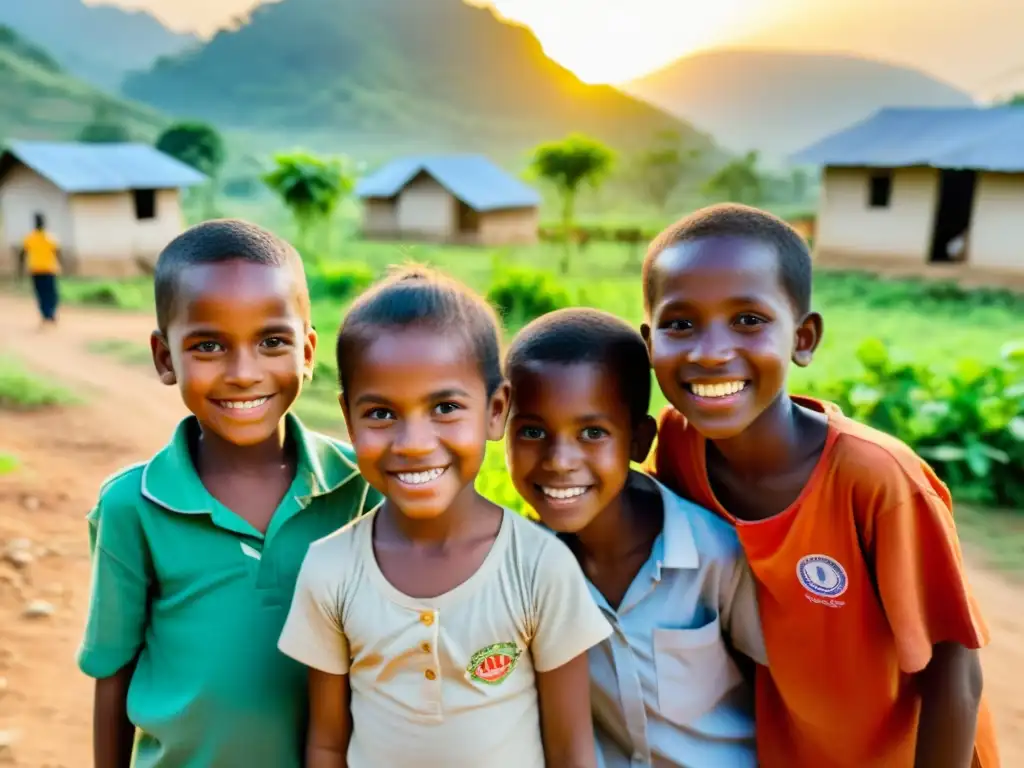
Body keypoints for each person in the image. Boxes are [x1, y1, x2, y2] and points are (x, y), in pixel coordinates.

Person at [640, 203, 999, 767]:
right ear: (650, 344)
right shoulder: (679, 449)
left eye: (749, 320)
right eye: (680, 324)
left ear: (803, 338)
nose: (710, 351)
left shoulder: (877, 479)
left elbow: (956, 669)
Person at [277, 267, 611, 768]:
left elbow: (570, 749)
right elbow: (326, 744)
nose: (414, 443)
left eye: (446, 407)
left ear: (496, 410)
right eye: (382, 414)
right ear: (348, 420)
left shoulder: (540, 566)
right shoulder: (331, 570)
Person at [77, 219, 381, 768]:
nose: (244, 373)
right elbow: (113, 672)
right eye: (209, 345)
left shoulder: (361, 487)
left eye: (272, 342)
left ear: (308, 351)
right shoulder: (133, 506)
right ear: (165, 357)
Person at [504, 307, 767, 767]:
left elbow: (779, 690)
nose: (559, 460)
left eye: (592, 433)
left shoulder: (716, 556)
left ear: (639, 441)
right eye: (532, 431)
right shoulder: (519, 571)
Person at [17, 213, 62, 327]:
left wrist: (20, 269)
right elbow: (58, 253)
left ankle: (46, 314)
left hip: (37, 270)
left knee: (41, 293)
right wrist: (60, 265)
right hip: (48, 270)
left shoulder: (30, 237)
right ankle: (49, 313)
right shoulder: (50, 237)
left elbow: (22, 254)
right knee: (51, 293)